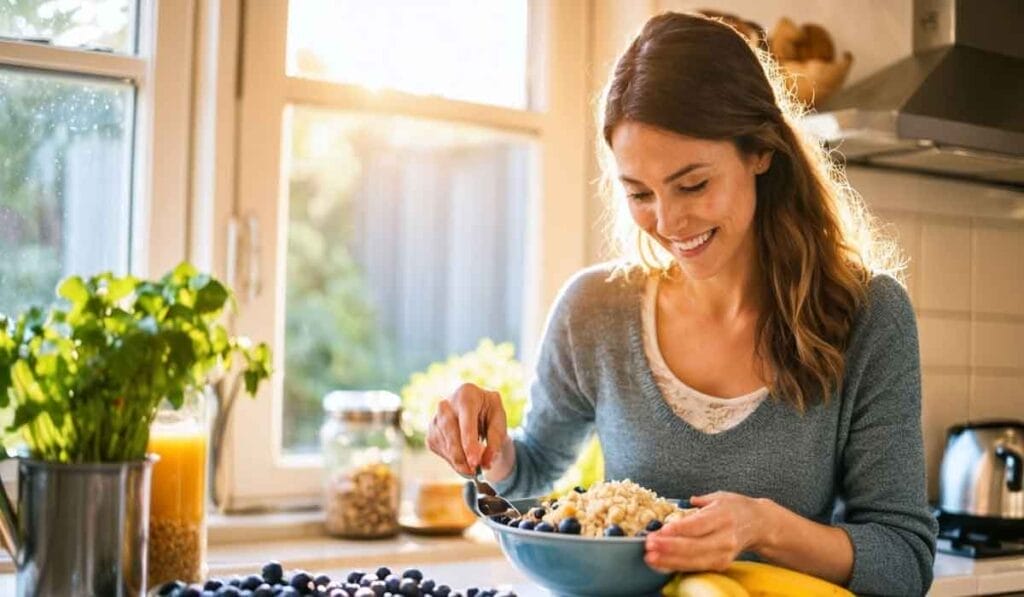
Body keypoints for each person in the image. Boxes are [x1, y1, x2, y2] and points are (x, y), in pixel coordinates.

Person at [426, 11, 937, 595]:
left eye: (693, 184)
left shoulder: (867, 315)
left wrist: (763, 528)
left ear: (761, 153)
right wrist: (485, 447)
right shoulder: (594, 310)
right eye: (639, 193)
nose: (668, 222)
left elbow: (903, 561)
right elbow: (533, 474)